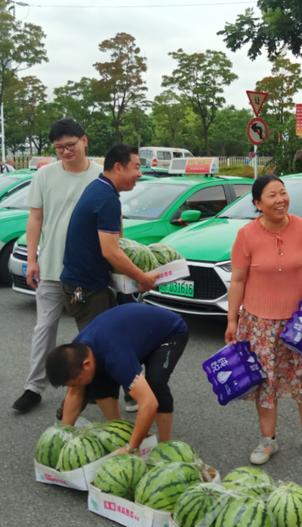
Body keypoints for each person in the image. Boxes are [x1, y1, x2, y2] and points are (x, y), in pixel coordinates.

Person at [225, 174, 302, 465]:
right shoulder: (246, 235)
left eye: (282, 193)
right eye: (272, 195)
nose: (280, 200)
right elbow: (238, 280)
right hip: (260, 322)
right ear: (258, 203)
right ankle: (267, 440)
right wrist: (232, 320)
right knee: (265, 381)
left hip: (300, 321)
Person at [12, 119, 102, 414]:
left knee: (90, 331)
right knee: (44, 329)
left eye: (70, 145)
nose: (65, 151)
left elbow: (113, 224)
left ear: (84, 141)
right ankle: (33, 387)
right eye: (59, 147)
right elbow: (35, 218)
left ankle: (94, 387)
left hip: (86, 272)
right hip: (51, 268)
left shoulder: (100, 176)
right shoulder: (44, 176)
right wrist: (32, 260)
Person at [46, 304, 188, 451]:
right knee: (97, 383)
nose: (76, 387)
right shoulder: (77, 352)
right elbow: (74, 393)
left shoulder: (116, 358)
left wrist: (131, 447)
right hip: (134, 337)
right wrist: (63, 435)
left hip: (169, 333)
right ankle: (119, 433)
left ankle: (166, 447)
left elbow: (149, 404)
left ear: (86, 364)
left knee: (156, 383)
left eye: (76, 383)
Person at [60, 143, 157, 330]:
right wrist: (142, 278)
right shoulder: (106, 199)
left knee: (109, 337)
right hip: (87, 288)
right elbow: (111, 252)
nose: (140, 173)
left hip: (83, 284)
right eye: (136, 167)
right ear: (118, 167)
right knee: (97, 346)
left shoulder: (98, 187)